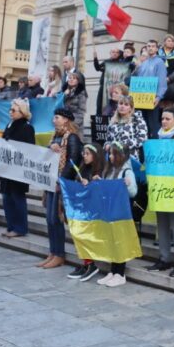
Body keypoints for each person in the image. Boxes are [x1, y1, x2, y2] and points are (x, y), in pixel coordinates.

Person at [146, 106, 174, 277]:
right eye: (163, 119)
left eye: (167, 119)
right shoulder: (158, 137)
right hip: (161, 187)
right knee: (162, 224)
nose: (164, 121)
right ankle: (164, 258)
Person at [66, 142, 115, 283]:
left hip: (94, 212)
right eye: (83, 153)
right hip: (81, 209)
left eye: (88, 154)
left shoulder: (101, 170)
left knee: (86, 237)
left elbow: (104, 190)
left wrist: (92, 185)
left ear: (95, 155)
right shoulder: (82, 169)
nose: (84, 156)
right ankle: (85, 263)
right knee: (78, 236)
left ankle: (91, 265)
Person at [92, 142, 138, 287]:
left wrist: (127, 184)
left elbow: (133, 192)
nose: (110, 156)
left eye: (112, 154)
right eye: (109, 153)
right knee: (112, 242)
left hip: (121, 215)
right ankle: (112, 271)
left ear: (120, 156)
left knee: (120, 242)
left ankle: (120, 273)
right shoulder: (109, 171)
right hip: (110, 214)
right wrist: (100, 182)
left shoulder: (127, 172)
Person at [41, 108, 83, 270]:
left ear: (66, 120)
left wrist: (62, 181)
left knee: (56, 218)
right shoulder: (55, 136)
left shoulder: (72, 138)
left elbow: (73, 161)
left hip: (61, 183)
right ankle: (53, 252)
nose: (54, 120)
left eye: (57, 117)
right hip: (51, 181)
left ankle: (59, 254)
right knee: (50, 219)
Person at [1, 99, 35, 239]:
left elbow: (29, 148)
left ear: (22, 112)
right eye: (10, 109)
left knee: (17, 197)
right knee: (6, 197)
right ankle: (11, 226)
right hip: (6, 167)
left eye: (13, 110)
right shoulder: (10, 125)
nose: (10, 112)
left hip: (19, 169)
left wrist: (13, 148)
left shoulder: (27, 127)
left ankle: (20, 228)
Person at [136, 39, 169, 130]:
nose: (150, 48)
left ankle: (154, 143)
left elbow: (162, 82)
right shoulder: (143, 63)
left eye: (153, 46)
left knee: (153, 124)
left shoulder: (159, 62)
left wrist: (158, 97)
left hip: (152, 96)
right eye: (148, 46)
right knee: (142, 124)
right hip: (141, 97)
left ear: (157, 49)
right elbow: (138, 80)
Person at [104, 94, 148, 162]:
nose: (122, 106)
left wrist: (123, 145)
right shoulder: (112, 121)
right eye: (121, 103)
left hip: (130, 157)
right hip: (114, 157)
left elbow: (142, 139)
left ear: (131, 108)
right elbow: (108, 139)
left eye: (126, 104)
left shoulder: (137, 120)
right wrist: (107, 145)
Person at [93, 46, 125, 111]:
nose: (115, 53)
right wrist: (95, 58)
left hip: (114, 87)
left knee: (111, 105)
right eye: (113, 52)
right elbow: (97, 68)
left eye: (117, 52)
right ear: (110, 53)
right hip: (103, 86)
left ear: (119, 54)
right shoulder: (106, 61)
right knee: (99, 104)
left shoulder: (121, 63)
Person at [159, 35, 174, 109]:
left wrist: (169, 78)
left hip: (171, 83)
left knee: (169, 107)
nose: (171, 43)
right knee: (159, 105)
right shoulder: (158, 53)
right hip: (159, 82)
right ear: (164, 42)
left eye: (172, 41)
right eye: (169, 41)